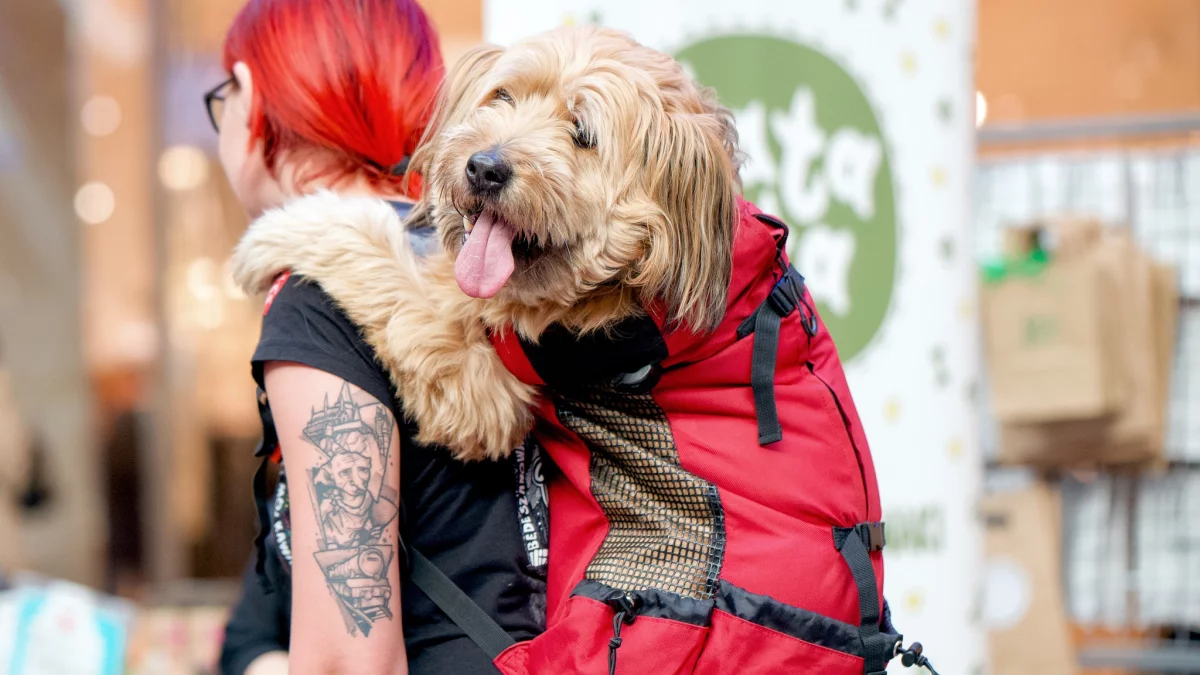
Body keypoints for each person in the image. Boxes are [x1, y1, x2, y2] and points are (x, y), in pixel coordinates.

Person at [210, 2, 546, 674]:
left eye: (225, 97)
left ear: (254, 106)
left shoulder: (321, 299)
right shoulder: (474, 260)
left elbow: (350, 662)